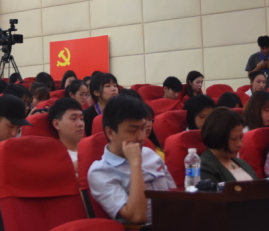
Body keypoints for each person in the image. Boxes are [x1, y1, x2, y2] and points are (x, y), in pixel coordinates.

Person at [88, 95, 175, 225]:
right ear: (110, 133)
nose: (141, 137)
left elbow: (176, 197)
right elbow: (137, 217)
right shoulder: (100, 172)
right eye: (133, 130)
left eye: (143, 128)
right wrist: (135, 163)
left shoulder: (149, 153)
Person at [200, 107, 258, 183]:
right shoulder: (204, 166)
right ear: (218, 137)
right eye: (233, 139)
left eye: (241, 137)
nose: (240, 144)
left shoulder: (242, 163)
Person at [48, 97, 84, 171]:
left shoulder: (91, 149)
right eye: (73, 118)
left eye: (81, 119)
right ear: (57, 124)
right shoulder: (55, 159)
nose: (81, 124)